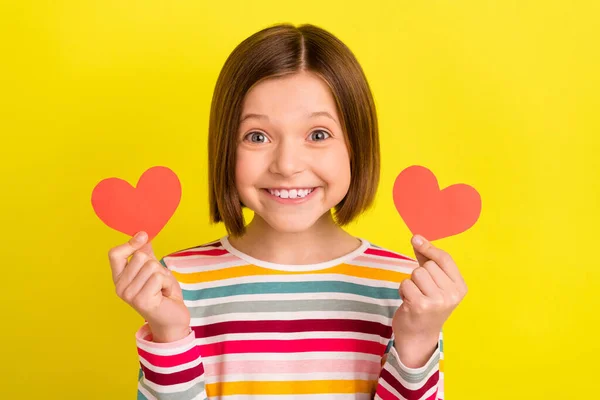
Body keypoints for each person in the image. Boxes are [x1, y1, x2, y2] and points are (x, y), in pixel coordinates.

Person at [108, 23, 467, 400]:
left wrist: (418, 341)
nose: (286, 164)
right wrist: (169, 335)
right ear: (225, 148)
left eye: (318, 135)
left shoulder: (409, 291)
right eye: (257, 136)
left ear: (355, 146)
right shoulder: (175, 285)